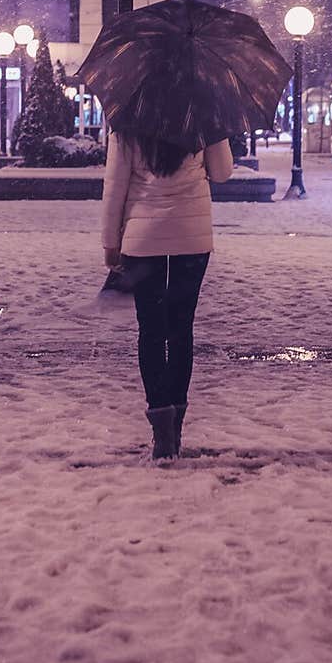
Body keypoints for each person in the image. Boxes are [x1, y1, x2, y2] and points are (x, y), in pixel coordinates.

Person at [102, 130, 234, 461]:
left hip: (143, 239)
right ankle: (175, 428)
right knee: (180, 330)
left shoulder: (130, 121)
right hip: (192, 238)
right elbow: (222, 173)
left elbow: (115, 187)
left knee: (150, 331)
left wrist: (110, 243)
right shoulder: (203, 117)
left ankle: (161, 428)